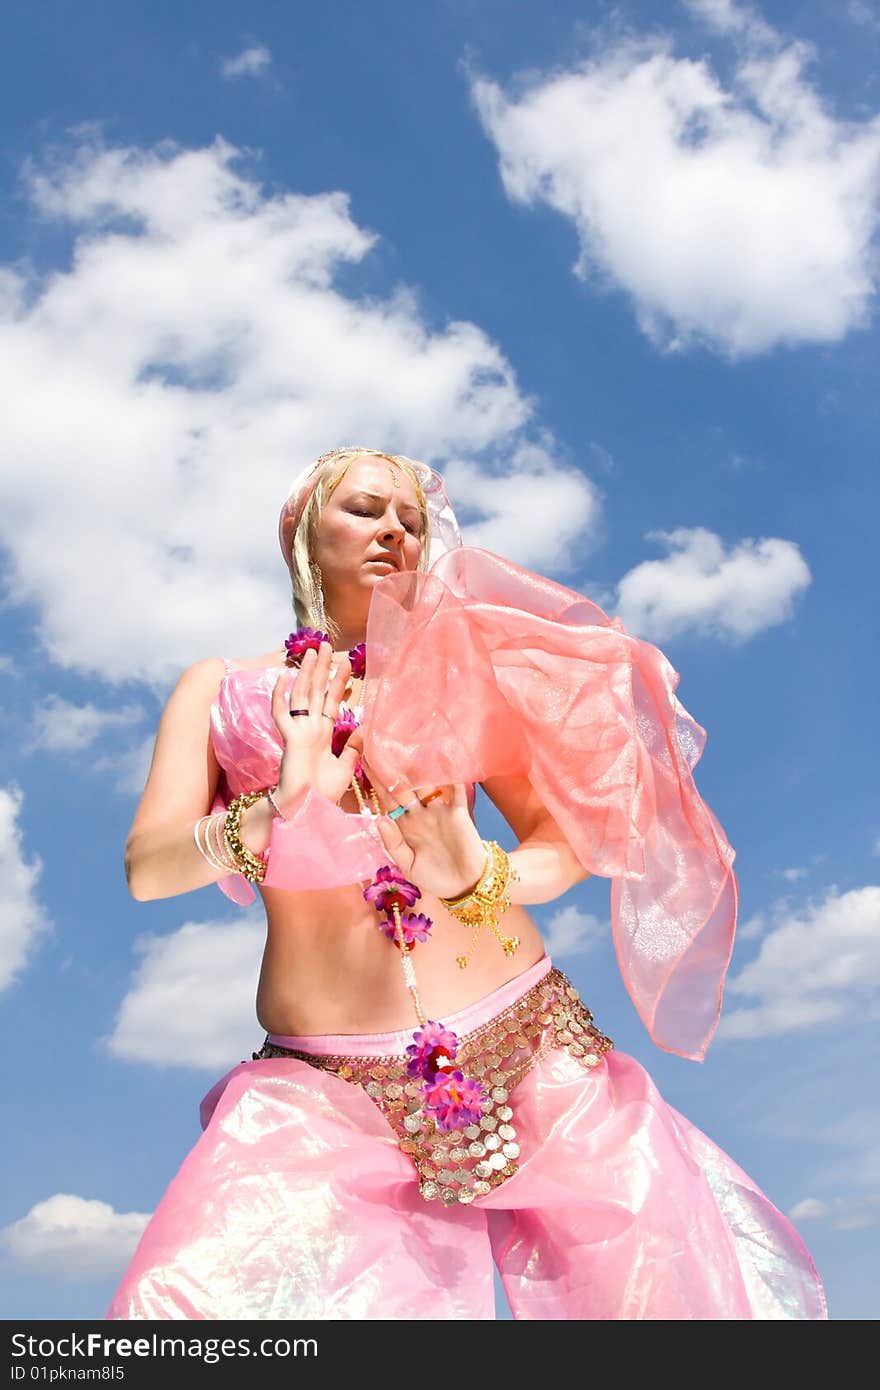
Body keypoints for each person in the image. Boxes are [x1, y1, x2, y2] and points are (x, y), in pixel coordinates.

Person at [107, 446, 827, 1320]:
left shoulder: (462, 670)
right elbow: (148, 868)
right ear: (303, 530)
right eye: (367, 510)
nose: (394, 532)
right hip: (325, 1088)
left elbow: (562, 847)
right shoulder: (220, 691)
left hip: (530, 1050)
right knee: (181, 1311)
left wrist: (480, 873)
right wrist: (274, 811)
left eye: (411, 521)